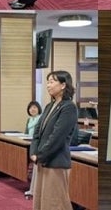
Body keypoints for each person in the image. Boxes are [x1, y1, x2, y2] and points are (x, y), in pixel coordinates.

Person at [30, 71, 78, 210]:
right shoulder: (49, 106)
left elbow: (57, 137)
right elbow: (37, 132)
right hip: (42, 160)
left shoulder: (68, 107)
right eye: (47, 82)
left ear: (63, 85)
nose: (48, 85)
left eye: (52, 82)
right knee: (41, 200)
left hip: (56, 162)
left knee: (55, 202)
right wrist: (33, 152)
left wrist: (40, 155)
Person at [24, 100, 42, 198]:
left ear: (38, 109)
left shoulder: (41, 119)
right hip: (28, 142)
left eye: (35, 107)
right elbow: (26, 133)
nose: (33, 109)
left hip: (36, 144)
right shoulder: (29, 120)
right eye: (31, 108)